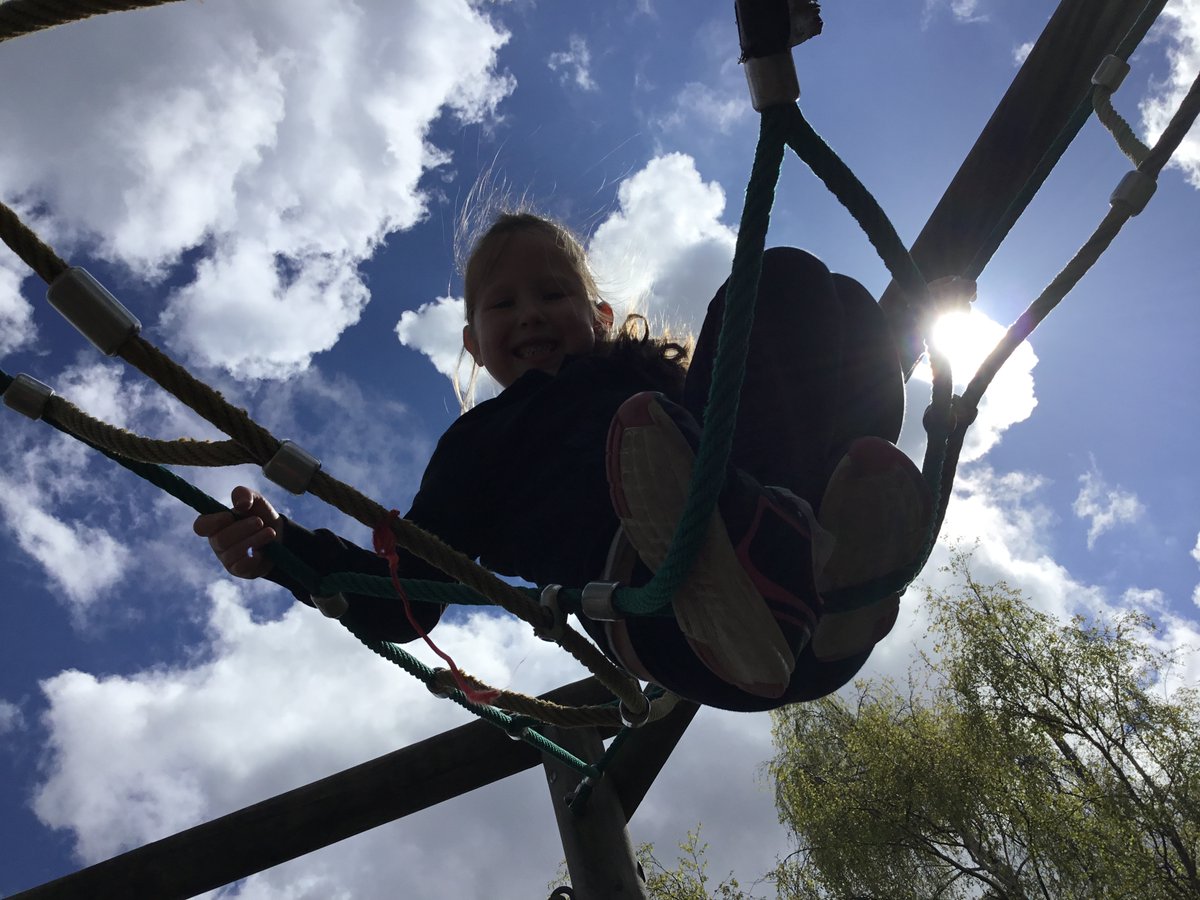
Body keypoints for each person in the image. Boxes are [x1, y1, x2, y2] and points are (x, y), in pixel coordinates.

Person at [194, 212, 931, 712]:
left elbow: (789, 398)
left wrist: (902, 340)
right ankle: (743, 559)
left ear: (599, 316)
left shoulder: (655, 383)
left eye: (553, 293)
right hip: (667, 618)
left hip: (796, 602)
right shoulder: (481, 445)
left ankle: (832, 554)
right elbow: (402, 598)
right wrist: (286, 550)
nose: (530, 314)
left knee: (804, 287)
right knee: (660, 427)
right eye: (503, 305)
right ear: (474, 345)